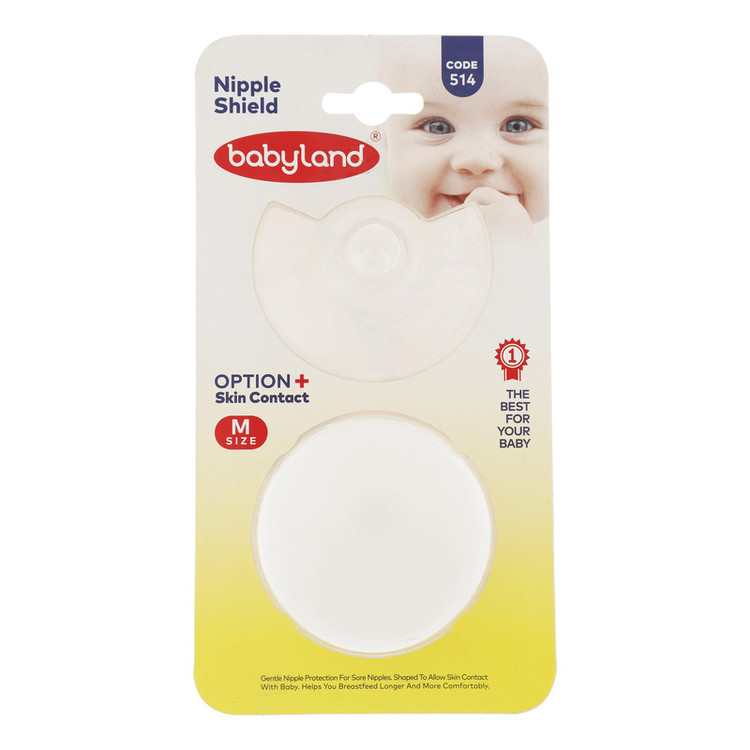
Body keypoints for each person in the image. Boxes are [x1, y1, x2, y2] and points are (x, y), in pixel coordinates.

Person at [379, 36, 548, 234]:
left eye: (516, 126)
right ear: (385, 144)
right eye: (437, 127)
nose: (477, 161)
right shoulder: (379, 242)